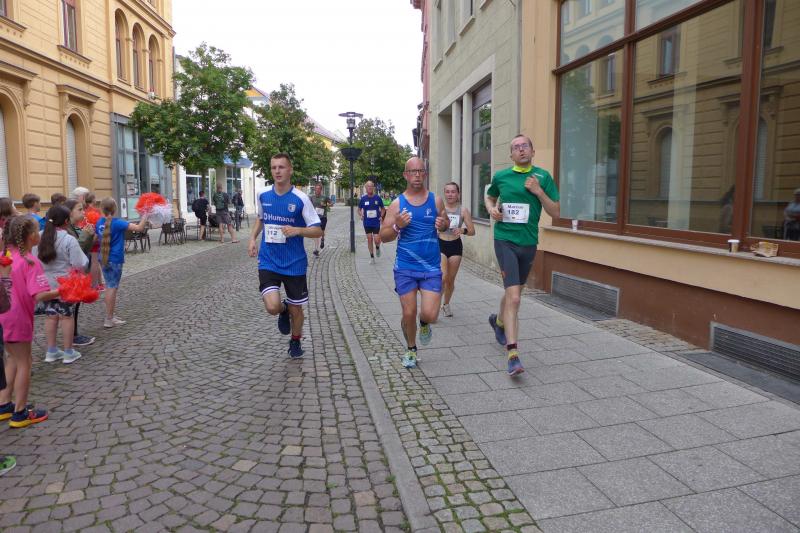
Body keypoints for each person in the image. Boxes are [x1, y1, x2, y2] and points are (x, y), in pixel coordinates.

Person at [486, 135, 560, 376]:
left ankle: (498, 321)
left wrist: (539, 192)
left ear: (532, 151)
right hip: (504, 240)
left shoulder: (543, 177)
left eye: (525, 146)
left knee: (513, 292)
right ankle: (513, 354)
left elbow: (555, 212)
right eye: (516, 147)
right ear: (511, 155)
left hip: (528, 243)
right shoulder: (501, 177)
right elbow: (490, 196)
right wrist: (492, 209)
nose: (521, 150)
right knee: (515, 298)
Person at [248, 153, 322, 359]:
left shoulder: (301, 199)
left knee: (296, 310)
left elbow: (318, 230)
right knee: (272, 306)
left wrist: (298, 230)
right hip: (269, 259)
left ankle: (295, 340)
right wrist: (252, 238)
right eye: (273, 167)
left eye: (281, 167)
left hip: (294, 263)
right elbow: (261, 219)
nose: (277, 171)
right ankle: (282, 310)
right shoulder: (263, 195)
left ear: (290, 170)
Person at [380, 157, 450, 368]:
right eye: (413, 171)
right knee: (408, 312)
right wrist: (397, 226)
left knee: (430, 314)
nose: (417, 175)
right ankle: (411, 349)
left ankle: (424, 323)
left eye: (420, 171)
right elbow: (383, 236)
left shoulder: (436, 200)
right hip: (405, 266)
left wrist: (443, 224)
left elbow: (446, 222)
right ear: (406, 175)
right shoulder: (397, 204)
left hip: (430, 267)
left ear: (425, 174)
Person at [0, 216, 60, 427]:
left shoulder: (5, 257)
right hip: (18, 318)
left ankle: (4, 404)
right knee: (25, 361)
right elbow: (39, 295)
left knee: (11, 359)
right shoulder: (30, 261)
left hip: (3, 317)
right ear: (31, 236)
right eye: (37, 230)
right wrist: (60, 291)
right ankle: (20, 412)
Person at [35, 205, 89, 364]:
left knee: (50, 316)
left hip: (45, 284)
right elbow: (79, 263)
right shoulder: (69, 239)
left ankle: (51, 351)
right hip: (65, 284)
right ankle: (68, 352)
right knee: (66, 317)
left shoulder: (38, 237)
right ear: (66, 221)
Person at [97, 197, 148, 328]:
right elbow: (140, 228)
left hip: (103, 258)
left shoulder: (99, 222)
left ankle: (111, 315)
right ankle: (109, 319)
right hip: (115, 259)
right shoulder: (118, 223)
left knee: (109, 286)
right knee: (112, 288)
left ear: (102, 209)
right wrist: (145, 215)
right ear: (115, 209)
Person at [439, 182, 476, 317]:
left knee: (450, 280)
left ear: (458, 194)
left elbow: (472, 231)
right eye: (447, 192)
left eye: (453, 192)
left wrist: (462, 230)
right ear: (444, 193)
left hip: (455, 246)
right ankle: (434, 305)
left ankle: (446, 304)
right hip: (441, 244)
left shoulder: (463, 210)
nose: (450, 194)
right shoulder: (440, 209)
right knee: (442, 277)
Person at [64, 199, 95, 346]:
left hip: (77, 272)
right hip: (69, 273)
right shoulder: (66, 229)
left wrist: (90, 236)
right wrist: (85, 236)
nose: (83, 212)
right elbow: (75, 250)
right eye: (80, 209)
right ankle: (73, 336)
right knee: (69, 307)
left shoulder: (74, 228)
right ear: (70, 213)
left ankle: (74, 334)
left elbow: (84, 250)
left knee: (75, 305)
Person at [358, 180, 385, 264]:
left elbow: (383, 209)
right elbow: (359, 209)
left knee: (376, 239)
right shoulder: (363, 199)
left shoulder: (377, 198)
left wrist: (381, 216)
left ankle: (377, 247)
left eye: (371, 186)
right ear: (365, 188)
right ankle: (372, 257)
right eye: (368, 186)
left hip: (376, 222)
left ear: (373, 187)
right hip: (367, 222)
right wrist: (361, 215)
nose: (369, 188)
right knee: (369, 239)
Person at [83, 192, 103, 290]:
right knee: (95, 262)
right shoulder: (96, 211)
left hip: (87, 238)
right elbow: (101, 225)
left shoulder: (84, 212)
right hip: (96, 238)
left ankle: (99, 283)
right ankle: (95, 285)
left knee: (95, 262)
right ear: (93, 200)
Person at [309, 182, 331, 257]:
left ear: (321, 190)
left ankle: (322, 239)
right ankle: (316, 249)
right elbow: (309, 206)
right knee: (316, 232)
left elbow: (331, 204)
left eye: (318, 189)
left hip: (323, 217)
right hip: (315, 218)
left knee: (321, 231)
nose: (317, 190)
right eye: (316, 189)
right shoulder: (312, 197)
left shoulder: (324, 197)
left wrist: (325, 204)